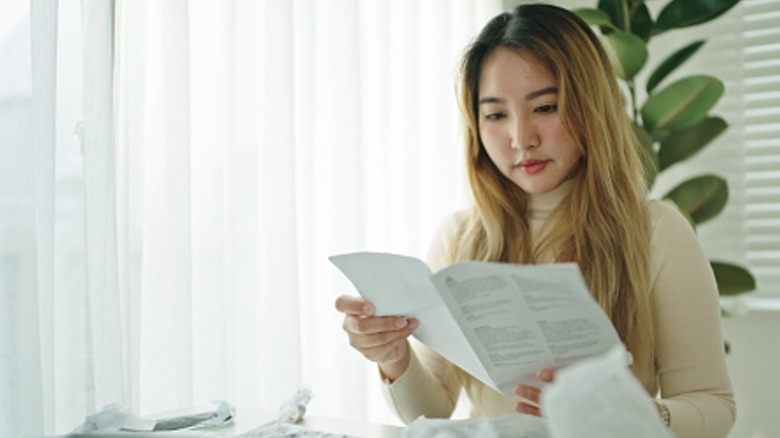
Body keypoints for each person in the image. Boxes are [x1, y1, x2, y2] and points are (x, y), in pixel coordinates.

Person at [334, 3, 735, 438]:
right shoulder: (460, 237)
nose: (521, 139)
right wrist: (394, 357)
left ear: (591, 106)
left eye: (545, 107)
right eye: (496, 115)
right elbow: (433, 408)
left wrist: (627, 415)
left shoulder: (658, 233)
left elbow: (713, 406)